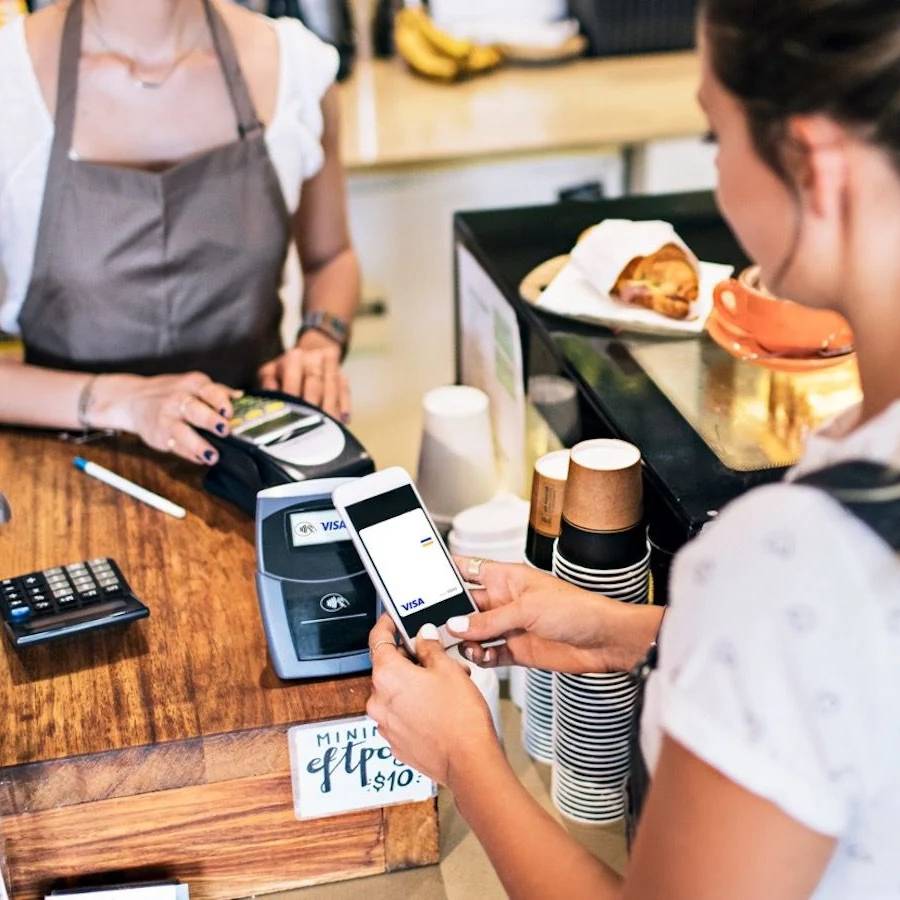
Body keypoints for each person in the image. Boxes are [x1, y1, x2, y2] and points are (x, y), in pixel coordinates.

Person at [366, 0, 900, 896]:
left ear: (814, 165)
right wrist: (637, 635)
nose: (719, 179)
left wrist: (465, 755)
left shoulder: (785, 558)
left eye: (715, 136)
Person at [0, 0, 358, 465]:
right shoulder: (11, 85)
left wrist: (319, 342)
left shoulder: (296, 69)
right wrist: (121, 401)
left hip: (252, 459)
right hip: (64, 467)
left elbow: (331, 257)